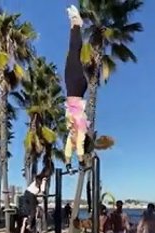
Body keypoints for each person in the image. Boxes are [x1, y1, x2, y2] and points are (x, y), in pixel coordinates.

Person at [63, 5, 90, 173]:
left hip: (71, 90)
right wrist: (81, 163)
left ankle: (73, 25)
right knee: (74, 53)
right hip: (77, 89)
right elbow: (79, 148)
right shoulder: (79, 133)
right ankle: (77, 24)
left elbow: (67, 152)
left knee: (71, 54)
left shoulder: (69, 137)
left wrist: (67, 165)